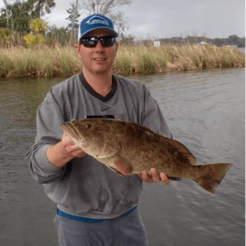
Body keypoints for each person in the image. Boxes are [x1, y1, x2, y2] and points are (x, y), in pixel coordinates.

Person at [26, 14, 172, 246]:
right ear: (78, 49)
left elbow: (163, 145)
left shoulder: (139, 94)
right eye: (90, 41)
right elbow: (38, 168)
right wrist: (63, 150)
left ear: (116, 48)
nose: (99, 48)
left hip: (129, 218)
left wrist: (158, 170)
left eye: (107, 40)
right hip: (76, 224)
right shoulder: (58, 98)